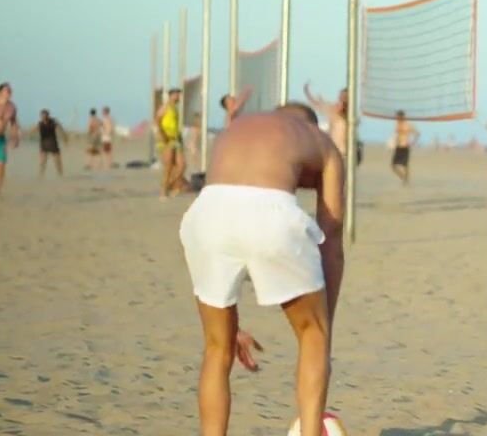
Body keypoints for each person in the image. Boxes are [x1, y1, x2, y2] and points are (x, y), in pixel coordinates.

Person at [179, 103, 344, 436]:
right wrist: (323, 322)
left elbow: (231, 217)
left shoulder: (237, 128)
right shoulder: (321, 142)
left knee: (216, 347)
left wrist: (232, 326)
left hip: (205, 214)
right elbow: (332, 237)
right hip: (271, 214)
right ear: (311, 125)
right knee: (312, 334)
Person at [303, 83, 363, 165]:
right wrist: (307, 93)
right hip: (335, 153)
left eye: (344, 99)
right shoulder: (334, 111)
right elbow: (317, 104)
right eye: (340, 98)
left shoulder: (349, 115)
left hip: (344, 154)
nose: (340, 101)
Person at [155, 89, 188, 199]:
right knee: (169, 167)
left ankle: (170, 185)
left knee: (182, 165)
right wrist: (162, 134)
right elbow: (157, 120)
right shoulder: (166, 107)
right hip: (167, 139)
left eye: (179, 95)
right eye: (177, 95)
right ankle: (163, 190)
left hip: (176, 138)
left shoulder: (175, 108)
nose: (179, 97)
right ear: (171, 95)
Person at [31, 109, 67, 177]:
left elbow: (61, 129)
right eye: (42, 116)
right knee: (43, 162)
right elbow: (33, 130)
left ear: (48, 115)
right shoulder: (40, 124)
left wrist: (65, 137)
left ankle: (60, 176)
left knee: (57, 162)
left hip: (53, 144)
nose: (43, 117)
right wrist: (24, 134)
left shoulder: (53, 122)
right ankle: (41, 176)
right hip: (44, 144)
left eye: (44, 116)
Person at [0, 82, 20, 195]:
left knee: (1, 165)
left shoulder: (11, 107)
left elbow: (14, 123)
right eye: (7, 90)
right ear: (0, 92)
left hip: (1, 139)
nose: (9, 92)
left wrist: (15, 138)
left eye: (10, 91)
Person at [391, 110, 419, 185]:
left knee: (405, 165)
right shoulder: (397, 124)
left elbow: (417, 133)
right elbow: (397, 135)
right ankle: (403, 178)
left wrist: (413, 142)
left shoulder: (408, 124)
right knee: (393, 166)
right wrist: (394, 142)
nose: (397, 119)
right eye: (396, 117)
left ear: (402, 117)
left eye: (398, 117)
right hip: (398, 146)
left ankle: (405, 181)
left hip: (405, 146)